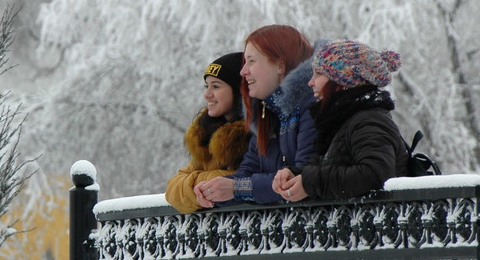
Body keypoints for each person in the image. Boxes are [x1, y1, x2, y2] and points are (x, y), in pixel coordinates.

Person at [196, 24, 323, 206]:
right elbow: (248, 170)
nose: (243, 71)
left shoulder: (311, 106)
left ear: (279, 65)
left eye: (251, 61)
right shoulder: (266, 110)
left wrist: (235, 189)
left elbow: (301, 178)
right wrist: (213, 191)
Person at [272, 40, 409, 203]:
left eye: (319, 74)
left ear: (343, 81)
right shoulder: (341, 122)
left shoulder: (368, 121)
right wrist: (296, 174)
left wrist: (309, 183)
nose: (311, 82)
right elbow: (330, 170)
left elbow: (375, 175)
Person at [165, 52, 251, 213]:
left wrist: (199, 182)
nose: (207, 94)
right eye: (207, 86)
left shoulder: (255, 133)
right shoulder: (206, 135)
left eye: (216, 86)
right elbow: (172, 190)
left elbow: (249, 181)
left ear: (240, 91)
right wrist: (205, 184)